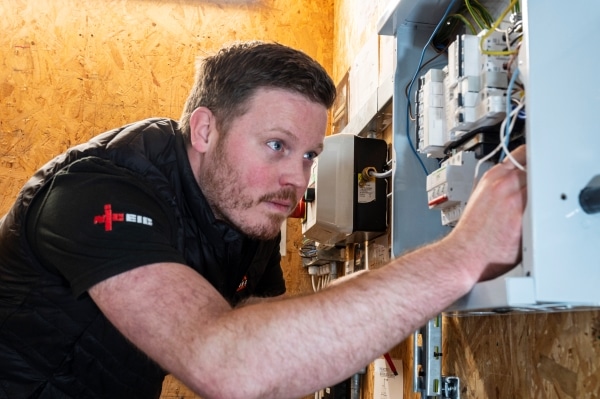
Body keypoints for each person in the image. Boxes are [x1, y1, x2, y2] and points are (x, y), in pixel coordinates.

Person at [0, 41, 527, 399]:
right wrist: (463, 253)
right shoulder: (97, 190)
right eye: (277, 145)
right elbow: (228, 362)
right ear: (204, 131)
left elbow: (273, 347)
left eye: (309, 155)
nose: (296, 179)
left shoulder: (246, 211)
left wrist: (371, 324)